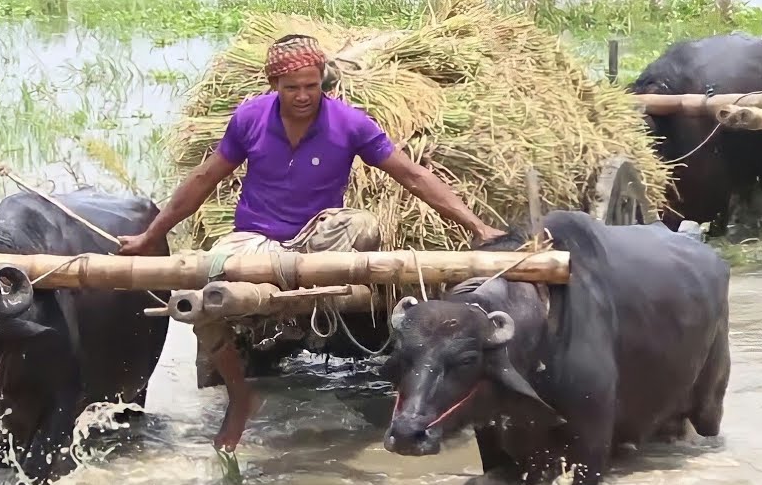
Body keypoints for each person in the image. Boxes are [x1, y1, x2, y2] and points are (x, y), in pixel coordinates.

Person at [116, 33, 506, 453]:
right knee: (204, 294)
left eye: (311, 86)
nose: (303, 96)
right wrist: (150, 236)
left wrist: (478, 228)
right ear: (273, 86)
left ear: (324, 81)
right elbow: (203, 180)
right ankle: (239, 396)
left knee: (363, 224)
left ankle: (306, 301)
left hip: (322, 238)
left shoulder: (349, 122)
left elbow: (411, 176)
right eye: (291, 88)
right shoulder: (249, 118)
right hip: (256, 240)